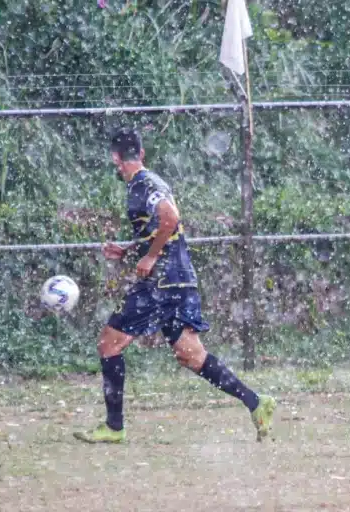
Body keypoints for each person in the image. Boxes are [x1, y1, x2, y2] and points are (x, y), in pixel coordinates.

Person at [73, 128, 276, 443]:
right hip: (179, 280)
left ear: (115, 157)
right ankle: (256, 402)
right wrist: (130, 249)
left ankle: (114, 427)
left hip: (163, 282)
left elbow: (170, 218)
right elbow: (161, 227)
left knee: (108, 344)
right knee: (191, 355)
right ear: (140, 153)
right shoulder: (148, 182)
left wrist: (151, 258)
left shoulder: (144, 183)